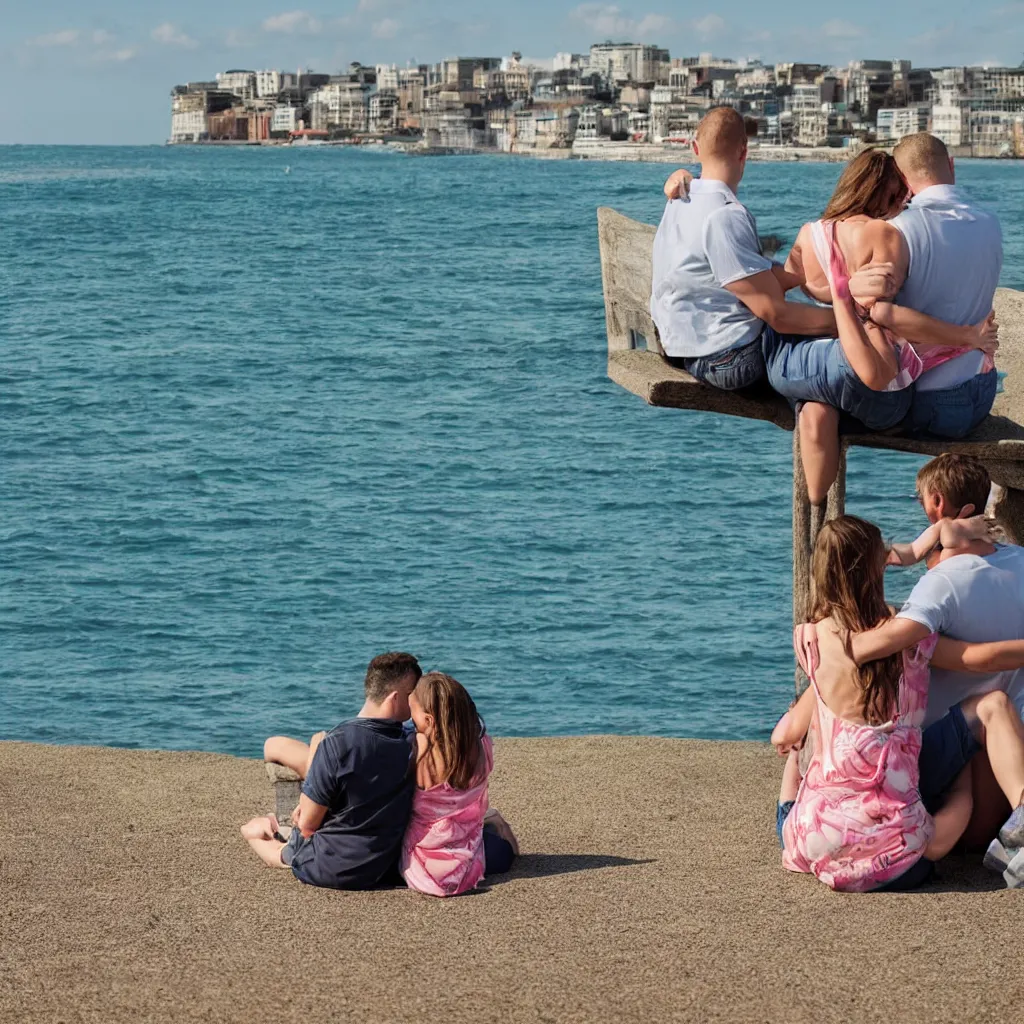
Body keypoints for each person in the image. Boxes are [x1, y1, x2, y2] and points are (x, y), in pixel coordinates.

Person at [773, 515, 1024, 891]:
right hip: (897, 849)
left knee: (797, 772)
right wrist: (929, 543)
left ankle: (800, 816)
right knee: (990, 712)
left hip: (817, 839)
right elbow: (980, 658)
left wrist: (794, 745)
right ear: (877, 567)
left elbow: (784, 735)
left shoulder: (811, 640)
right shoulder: (910, 638)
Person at [771, 148, 997, 505]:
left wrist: (825, 290)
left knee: (811, 395)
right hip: (870, 365)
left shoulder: (810, 233)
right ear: (890, 191)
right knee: (859, 390)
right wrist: (969, 335)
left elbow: (783, 283)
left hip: (824, 352)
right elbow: (882, 312)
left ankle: (817, 497)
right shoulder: (885, 234)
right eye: (900, 195)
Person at [848, 454, 1024, 851]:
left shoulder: (941, 584)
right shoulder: (1022, 563)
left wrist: (842, 643)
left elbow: (889, 644)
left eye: (920, 499)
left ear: (937, 502)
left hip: (948, 774)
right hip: (1006, 766)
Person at [649, 106, 840, 391]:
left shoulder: (679, 198)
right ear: (744, 152)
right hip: (726, 357)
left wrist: (800, 276)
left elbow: (738, 273)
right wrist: (851, 322)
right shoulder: (724, 215)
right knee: (843, 355)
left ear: (695, 148)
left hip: (680, 342)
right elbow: (776, 313)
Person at [241, 651, 421, 890]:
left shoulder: (339, 742)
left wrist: (318, 753)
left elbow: (307, 826)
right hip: (382, 864)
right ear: (395, 699)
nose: (416, 701)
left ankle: (254, 831)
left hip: (328, 865)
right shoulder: (411, 742)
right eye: (413, 695)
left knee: (273, 847)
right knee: (279, 746)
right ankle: (305, 786)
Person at [887, 133, 1004, 439]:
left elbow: (880, 312)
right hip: (982, 391)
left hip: (930, 397)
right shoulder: (991, 222)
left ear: (900, 180)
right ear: (951, 166)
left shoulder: (900, 228)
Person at [401, 672, 518, 896]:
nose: (409, 718)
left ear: (428, 721)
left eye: (412, 711)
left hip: (424, 864)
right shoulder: (482, 746)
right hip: (468, 856)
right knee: (503, 852)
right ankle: (495, 822)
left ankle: (493, 821)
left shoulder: (419, 750)